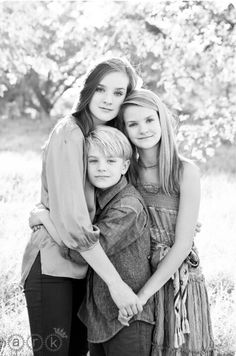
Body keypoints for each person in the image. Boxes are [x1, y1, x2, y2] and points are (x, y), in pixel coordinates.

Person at [21, 57, 143, 356]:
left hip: (85, 267)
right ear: (88, 89)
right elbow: (73, 222)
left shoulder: (104, 138)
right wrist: (116, 284)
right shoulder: (70, 133)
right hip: (53, 267)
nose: (108, 99)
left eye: (118, 93)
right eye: (101, 88)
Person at [117, 88, 215, 355]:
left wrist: (143, 295)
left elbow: (182, 244)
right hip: (137, 273)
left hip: (176, 277)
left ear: (162, 120)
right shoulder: (126, 173)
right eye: (133, 123)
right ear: (123, 129)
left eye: (149, 120)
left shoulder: (185, 171)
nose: (143, 129)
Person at [70, 125, 155, 356]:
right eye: (93, 161)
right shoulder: (94, 199)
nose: (101, 168)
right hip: (99, 315)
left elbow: (80, 251)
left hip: (128, 316)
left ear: (125, 166)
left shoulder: (127, 207)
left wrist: (46, 220)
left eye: (110, 161)